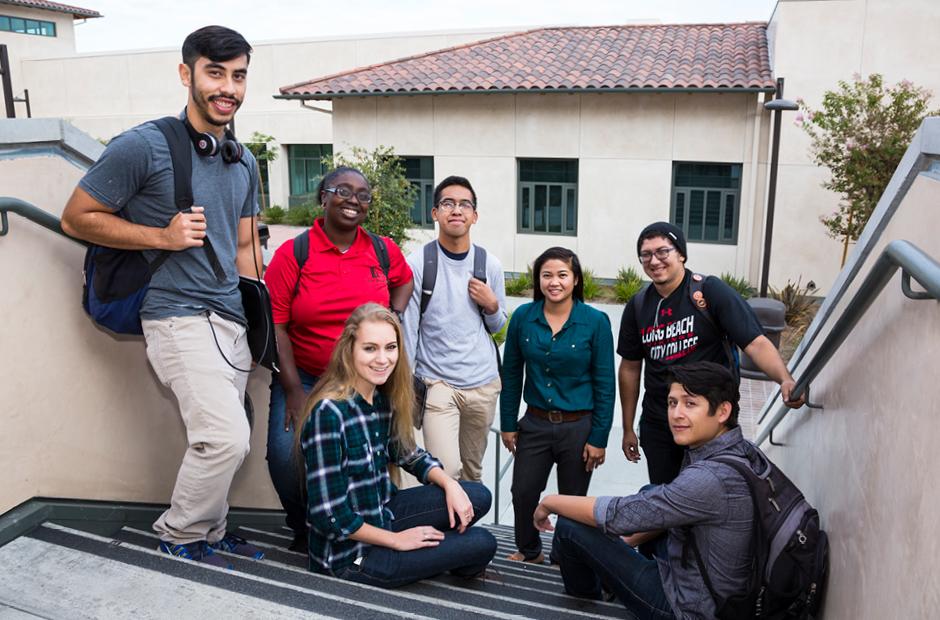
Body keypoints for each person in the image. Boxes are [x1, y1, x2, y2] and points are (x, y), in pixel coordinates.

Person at [61, 26, 264, 567]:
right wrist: (162, 237)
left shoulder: (243, 162)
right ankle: (179, 534)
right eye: (215, 72)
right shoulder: (142, 146)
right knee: (224, 438)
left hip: (230, 322)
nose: (228, 87)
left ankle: (213, 530)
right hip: (174, 316)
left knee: (225, 434)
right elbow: (76, 216)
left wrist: (260, 321)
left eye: (238, 75)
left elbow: (245, 245)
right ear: (186, 74)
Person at [263, 166, 413, 551]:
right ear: (323, 197)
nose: (353, 200)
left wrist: (393, 315)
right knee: (285, 459)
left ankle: (362, 528)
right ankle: (305, 527)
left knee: (366, 459)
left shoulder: (382, 249)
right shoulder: (293, 254)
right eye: (342, 191)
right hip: (309, 380)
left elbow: (405, 278)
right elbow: (277, 325)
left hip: (365, 383)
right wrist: (294, 390)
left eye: (363, 195)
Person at [534, 362, 756, 619]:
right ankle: (611, 570)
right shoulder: (743, 451)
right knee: (652, 490)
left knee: (570, 526)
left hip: (686, 607)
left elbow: (619, 516)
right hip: (720, 586)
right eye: (673, 403)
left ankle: (590, 603)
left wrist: (549, 501)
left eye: (690, 404)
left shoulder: (709, 479)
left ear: (722, 411)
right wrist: (620, 544)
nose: (676, 414)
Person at [300, 303, 497, 587]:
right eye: (370, 349)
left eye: (390, 348)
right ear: (349, 351)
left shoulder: (379, 399)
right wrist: (397, 540)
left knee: (477, 495)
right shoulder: (328, 413)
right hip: (352, 557)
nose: (383, 359)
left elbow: (408, 455)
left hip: (384, 513)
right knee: (481, 542)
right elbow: (329, 515)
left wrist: (449, 484)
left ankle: (436, 552)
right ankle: (438, 556)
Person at [618, 221, 804, 485]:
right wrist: (628, 428)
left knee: (712, 493)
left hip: (711, 418)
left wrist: (784, 379)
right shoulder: (638, 306)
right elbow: (630, 367)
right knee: (665, 497)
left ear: (681, 254)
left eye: (663, 251)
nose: (654, 260)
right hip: (661, 421)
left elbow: (755, 342)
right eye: (646, 255)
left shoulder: (709, 291)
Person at [500, 247, 615, 564]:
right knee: (523, 491)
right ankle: (530, 550)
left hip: (579, 427)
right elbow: (511, 373)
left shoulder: (595, 322)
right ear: (538, 280)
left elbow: (606, 383)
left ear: (575, 279)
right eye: (547, 275)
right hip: (534, 424)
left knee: (572, 499)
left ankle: (567, 556)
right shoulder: (524, 316)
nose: (555, 282)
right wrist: (508, 422)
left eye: (562, 275)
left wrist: (599, 438)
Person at [402, 175, 507, 482]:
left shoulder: (491, 265)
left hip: (483, 383)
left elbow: (498, 326)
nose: (456, 210)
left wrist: (491, 305)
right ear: (435, 213)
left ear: (474, 215)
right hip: (437, 384)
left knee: (472, 472)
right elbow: (408, 329)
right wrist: (405, 386)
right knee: (446, 471)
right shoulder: (418, 263)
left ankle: (469, 529)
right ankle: (448, 528)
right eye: (448, 203)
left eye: (465, 204)